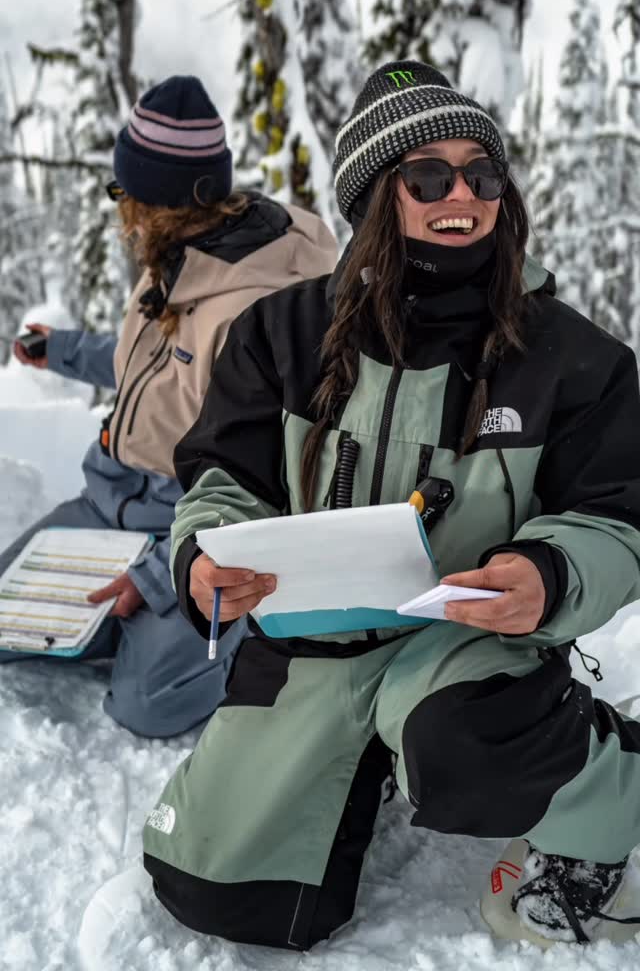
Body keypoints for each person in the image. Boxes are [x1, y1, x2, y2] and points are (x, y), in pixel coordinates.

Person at [142, 60, 640, 945]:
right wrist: (206, 558)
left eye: (482, 174)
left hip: (468, 643)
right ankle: (364, 752)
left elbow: (615, 514)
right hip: (315, 645)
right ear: (378, 193)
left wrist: (550, 572)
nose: (464, 194)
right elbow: (223, 479)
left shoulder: (571, 358)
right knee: (216, 894)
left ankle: (611, 788)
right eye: (429, 176)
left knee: (460, 746)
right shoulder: (281, 334)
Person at [1, 74, 337, 739]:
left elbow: (264, 476)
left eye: (125, 195)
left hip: (191, 525)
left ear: (163, 203)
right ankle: (125, 625)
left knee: (148, 703)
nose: (121, 211)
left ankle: (243, 629)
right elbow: (155, 368)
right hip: (109, 504)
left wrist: (157, 581)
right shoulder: (181, 258)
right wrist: (62, 351)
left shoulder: (251, 309)